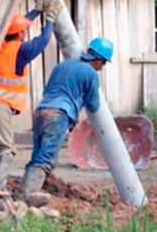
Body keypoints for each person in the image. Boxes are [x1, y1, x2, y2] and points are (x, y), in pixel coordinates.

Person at [0, 0, 63, 197]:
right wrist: (50, 19)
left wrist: (36, 11)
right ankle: (0, 189)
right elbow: (42, 42)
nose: (25, 33)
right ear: (19, 34)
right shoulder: (21, 51)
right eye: (24, 31)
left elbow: (16, 25)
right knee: (6, 149)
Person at [21, 37, 113, 207]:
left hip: (41, 111)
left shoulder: (61, 66)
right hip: (59, 113)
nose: (102, 67)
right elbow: (93, 105)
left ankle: (23, 193)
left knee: (37, 155)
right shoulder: (91, 74)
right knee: (46, 159)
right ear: (99, 61)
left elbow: (50, 89)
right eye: (104, 63)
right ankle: (30, 196)